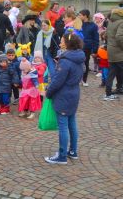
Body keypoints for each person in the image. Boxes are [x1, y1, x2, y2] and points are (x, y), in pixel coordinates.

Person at [44, 32, 85, 165]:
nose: (60, 42)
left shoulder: (66, 61)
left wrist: (48, 92)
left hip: (64, 95)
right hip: (74, 94)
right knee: (72, 123)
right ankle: (73, 151)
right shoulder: (79, 57)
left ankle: (61, 156)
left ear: (67, 43)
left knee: (63, 126)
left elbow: (57, 81)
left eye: (62, 40)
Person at [104, 8, 123, 100]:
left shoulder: (110, 22)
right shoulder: (121, 22)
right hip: (119, 52)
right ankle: (118, 88)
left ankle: (108, 93)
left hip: (111, 50)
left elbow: (105, 35)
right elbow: (119, 37)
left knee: (111, 73)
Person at [78, 9, 99, 87]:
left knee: (85, 63)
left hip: (87, 47)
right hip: (77, 47)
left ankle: (84, 79)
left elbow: (96, 39)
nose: (79, 16)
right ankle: (77, 79)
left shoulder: (93, 26)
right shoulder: (78, 24)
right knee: (77, 63)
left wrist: (94, 50)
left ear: (85, 16)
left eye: (80, 15)